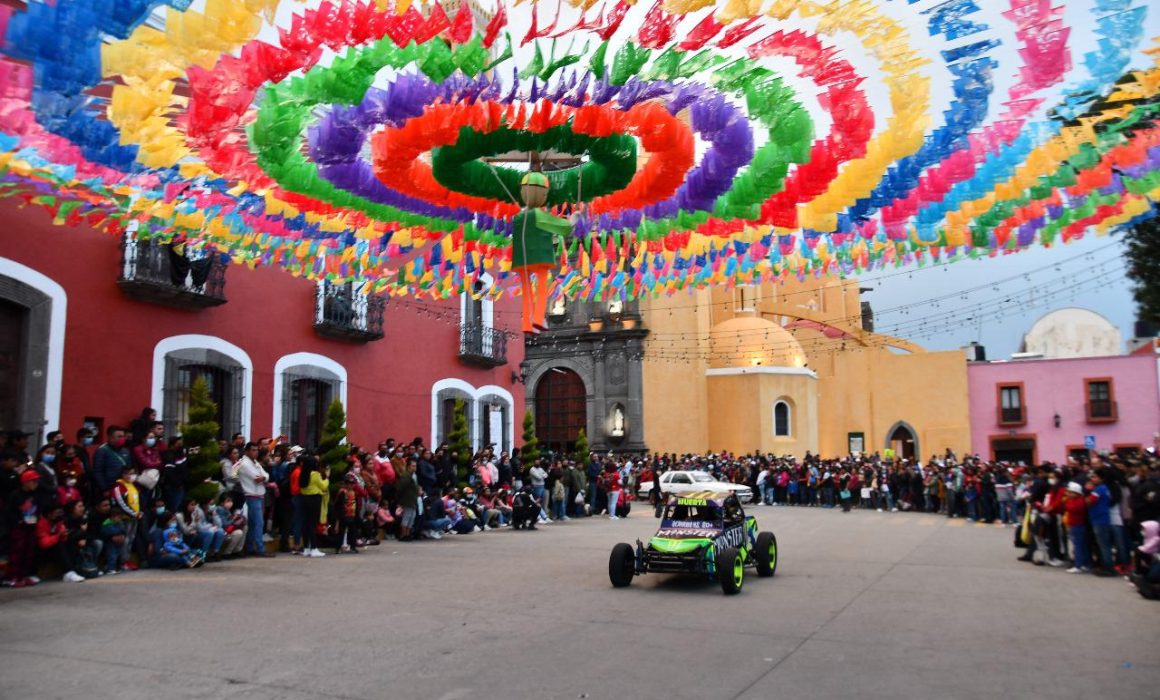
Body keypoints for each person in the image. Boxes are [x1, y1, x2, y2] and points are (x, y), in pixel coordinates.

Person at [4, 470, 43, 587]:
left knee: (29, 552)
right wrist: (19, 521)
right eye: (33, 481)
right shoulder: (15, 494)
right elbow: (9, 511)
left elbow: (38, 509)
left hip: (31, 526)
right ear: (25, 482)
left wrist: (36, 518)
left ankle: (23, 576)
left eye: (37, 481)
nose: (36, 483)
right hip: (19, 528)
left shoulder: (35, 494)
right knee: (17, 552)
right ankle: (13, 577)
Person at [236, 442, 273, 557]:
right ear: (247, 451)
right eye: (253, 450)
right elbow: (257, 478)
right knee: (258, 523)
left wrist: (264, 478)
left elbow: (266, 475)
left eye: (257, 450)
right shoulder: (244, 464)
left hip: (258, 495)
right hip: (251, 495)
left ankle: (250, 547)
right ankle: (259, 548)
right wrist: (263, 478)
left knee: (253, 523)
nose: (256, 452)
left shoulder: (255, 462)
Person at [298, 456, 328, 557]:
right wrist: (327, 478)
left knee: (305, 524)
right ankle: (314, 548)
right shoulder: (315, 474)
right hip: (314, 499)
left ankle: (306, 548)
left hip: (304, 499)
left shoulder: (302, 473)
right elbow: (323, 486)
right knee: (312, 524)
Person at [91, 426, 130, 497]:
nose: (122, 438)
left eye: (123, 436)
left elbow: (129, 468)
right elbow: (97, 471)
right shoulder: (102, 451)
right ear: (111, 437)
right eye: (119, 436)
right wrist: (104, 489)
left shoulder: (125, 451)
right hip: (109, 488)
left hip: (123, 486)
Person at [1063, 482, 1089, 574]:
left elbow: (1072, 508)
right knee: (1080, 545)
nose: (1069, 494)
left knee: (1078, 546)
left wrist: (1067, 503)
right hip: (1074, 524)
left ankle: (1078, 565)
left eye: (1071, 492)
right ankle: (1084, 564)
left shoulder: (1079, 501)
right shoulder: (1075, 500)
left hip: (1078, 525)